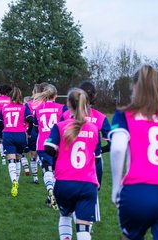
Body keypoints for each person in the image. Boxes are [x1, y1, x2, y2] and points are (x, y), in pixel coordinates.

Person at [109, 65, 158, 240]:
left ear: (134, 86)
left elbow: (118, 148)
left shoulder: (124, 114)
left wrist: (115, 187)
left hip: (137, 190)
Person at [44, 88, 101, 240]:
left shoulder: (60, 126)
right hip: (88, 184)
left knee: (65, 217)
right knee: (83, 228)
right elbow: (97, 159)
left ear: (68, 104)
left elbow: (48, 147)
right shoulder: (94, 129)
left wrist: (56, 151)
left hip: (65, 182)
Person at [33, 83, 67, 209]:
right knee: (57, 172)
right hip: (57, 144)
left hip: (42, 143)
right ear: (56, 95)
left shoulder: (38, 109)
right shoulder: (62, 108)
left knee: (47, 170)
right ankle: (53, 196)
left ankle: (50, 193)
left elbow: (36, 128)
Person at [0, 87, 33, 197]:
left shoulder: (4, 108)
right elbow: (30, 119)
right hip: (20, 134)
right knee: (18, 158)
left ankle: (14, 181)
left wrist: (0, 136)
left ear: (10, 96)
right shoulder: (24, 107)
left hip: (8, 134)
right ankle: (16, 181)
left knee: (11, 160)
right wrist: (29, 132)